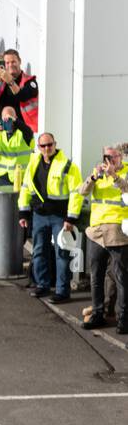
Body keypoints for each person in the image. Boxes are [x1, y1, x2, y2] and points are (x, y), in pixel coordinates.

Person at [18, 133, 83, 303]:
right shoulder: (33, 163)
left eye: (50, 145)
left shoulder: (68, 166)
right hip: (39, 216)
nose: (47, 148)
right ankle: (42, 285)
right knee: (38, 251)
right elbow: (25, 188)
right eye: (43, 146)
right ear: (38, 147)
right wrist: (23, 213)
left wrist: (70, 218)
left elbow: (76, 194)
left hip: (59, 218)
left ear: (55, 144)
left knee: (61, 254)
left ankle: (62, 291)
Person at [75, 145, 128, 332]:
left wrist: (114, 175)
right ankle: (98, 313)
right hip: (96, 231)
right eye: (105, 156)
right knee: (96, 275)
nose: (108, 160)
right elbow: (82, 191)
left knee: (121, 276)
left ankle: (123, 318)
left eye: (112, 157)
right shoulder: (97, 173)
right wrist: (92, 177)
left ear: (120, 157)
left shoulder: (127, 171)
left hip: (117, 230)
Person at [0, 48, 39, 134]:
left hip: (22, 131)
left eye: (13, 62)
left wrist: (10, 81)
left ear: (20, 61)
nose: (10, 65)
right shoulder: (0, 81)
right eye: (7, 63)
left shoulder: (30, 81)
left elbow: (22, 96)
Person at [0, 105, 33, 189]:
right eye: (4, 118)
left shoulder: (22, 133)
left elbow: (29, 132)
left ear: (15, 118)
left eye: (10, 118)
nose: (7, 120)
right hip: (2, 177)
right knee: (2, 201)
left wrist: (15, 121)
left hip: (21, 177)